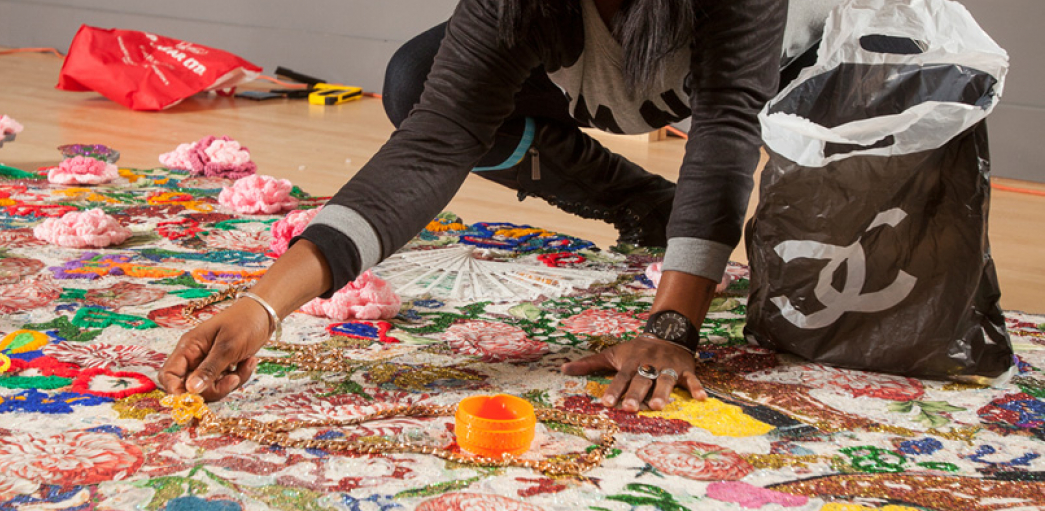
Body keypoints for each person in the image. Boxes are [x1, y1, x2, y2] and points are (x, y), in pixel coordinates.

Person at [159, 0, 795, 412]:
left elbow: (726, 132)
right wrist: (262, 307)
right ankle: (649, 207)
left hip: (780, 77)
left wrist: (671, 325)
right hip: (601, 78)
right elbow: (435, 142)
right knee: (417, 79)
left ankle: (690, 233)